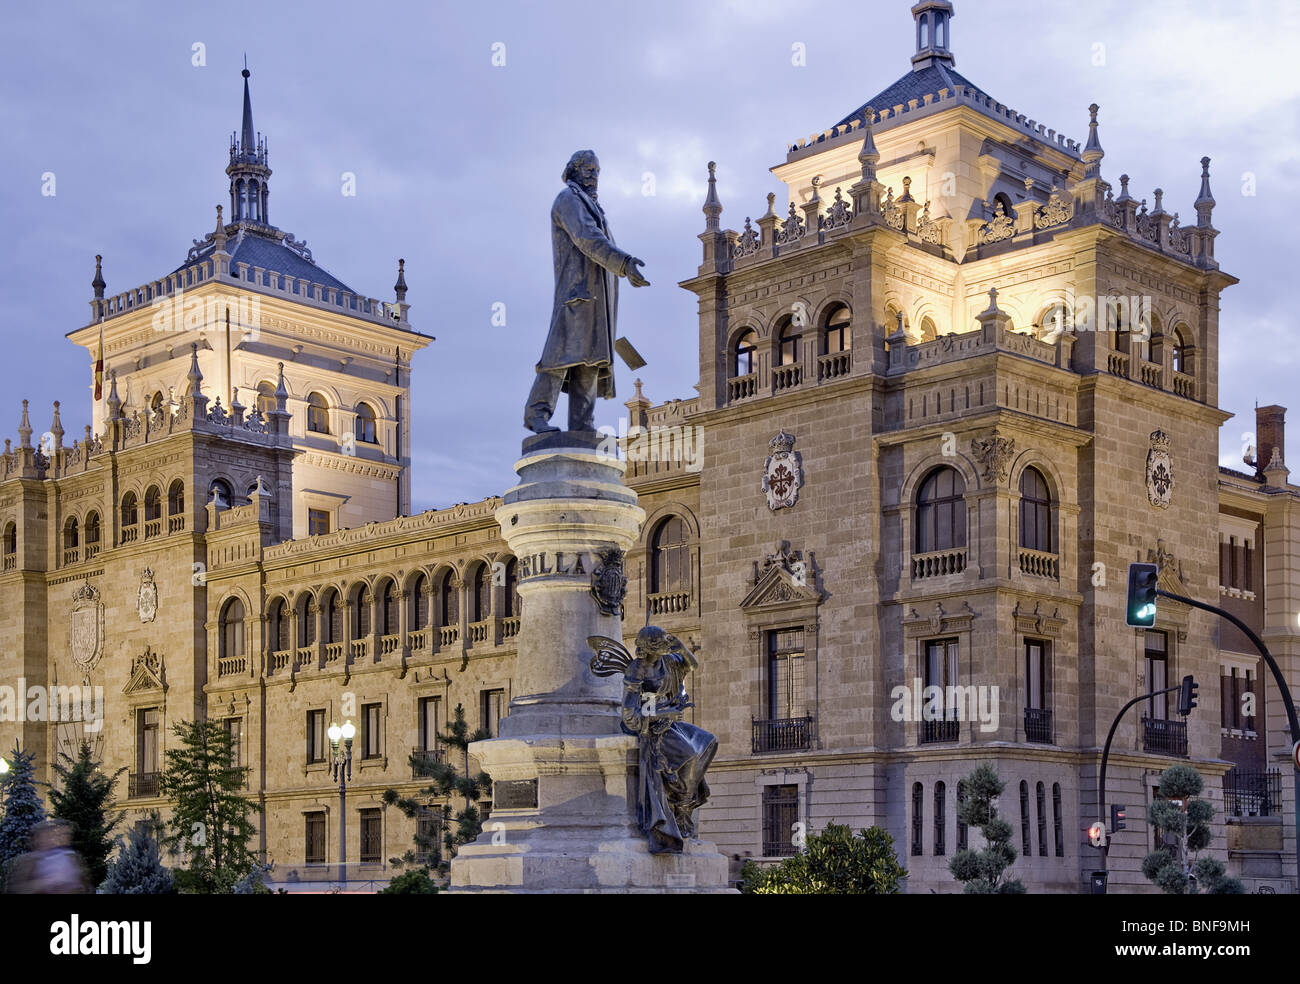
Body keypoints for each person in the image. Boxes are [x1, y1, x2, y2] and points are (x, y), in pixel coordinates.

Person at [524, 150, 649, 434]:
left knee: (590, 360)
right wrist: (625, 263)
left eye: (597, 172)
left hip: (598, 298)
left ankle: (583, 425)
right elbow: (587, 237)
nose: (594, 177)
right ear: (575, 170)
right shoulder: (568, 200)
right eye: (589, 170)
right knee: (560, 354)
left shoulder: (594, 206)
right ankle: (536, 413)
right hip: (575, 294)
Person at [619, 626, 717, 854]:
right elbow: (630, 714)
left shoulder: (670, 661)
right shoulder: (637, 669)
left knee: (709, 742)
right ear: (651, 646)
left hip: (670, 722)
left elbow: (692, 665)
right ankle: (682, 806)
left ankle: (682, 797)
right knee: (690, 755)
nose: (667, 644)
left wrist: (683, 649)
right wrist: (662, 715)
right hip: (652, 727)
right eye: (662, 641)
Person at [6, 819, 89, 893]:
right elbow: (14, 889)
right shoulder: (25, 861)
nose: (63, 838)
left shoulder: (74, 858)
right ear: (37, 839)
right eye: (46, 835)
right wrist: (40, 884)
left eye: (67, 834)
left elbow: (87, 885)